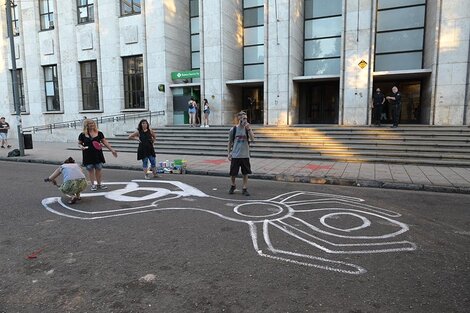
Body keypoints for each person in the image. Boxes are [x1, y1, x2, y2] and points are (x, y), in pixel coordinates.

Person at [78, 119, 118, 191]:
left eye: (93, 124)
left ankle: (99, 184)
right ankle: (93, 185)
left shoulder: (99, 133)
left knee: (98, 169)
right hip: (88, 154)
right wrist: (81, 147)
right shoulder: (82, 134)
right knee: (90, 170)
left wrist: (112, 150)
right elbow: (79, 143)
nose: (92, 125)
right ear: (86, 125)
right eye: (90, 124)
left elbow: (105, 142)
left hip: (98, 154)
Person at [227, 111, 255, 196]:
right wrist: (229, 153)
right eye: (243, 118)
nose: (245, 120)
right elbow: (229, 142)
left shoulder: (247, 129)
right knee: (233, 173)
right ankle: (233, 185)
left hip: (245, 154)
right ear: (239, 118)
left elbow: (253, 140)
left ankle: (244, 188)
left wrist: (249, 129)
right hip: (235, 154)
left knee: (245, 173)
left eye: (246, 118)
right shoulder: (233, 129)